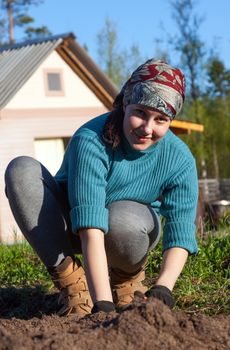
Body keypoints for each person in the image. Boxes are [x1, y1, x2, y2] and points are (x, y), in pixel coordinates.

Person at [4, 59, 198, 316]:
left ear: (170, 121)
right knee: (21, 169)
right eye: (140, 112)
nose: (147, 128)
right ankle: (74, 286)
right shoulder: (92, 139)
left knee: (124, 219)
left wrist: (163, 287)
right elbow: (90, 227)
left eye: (160, 119)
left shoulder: (179, 158)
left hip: (127, 231)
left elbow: (181, 230)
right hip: (67, 225)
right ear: (126, 103)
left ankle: (124, 280)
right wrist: (103, 305)